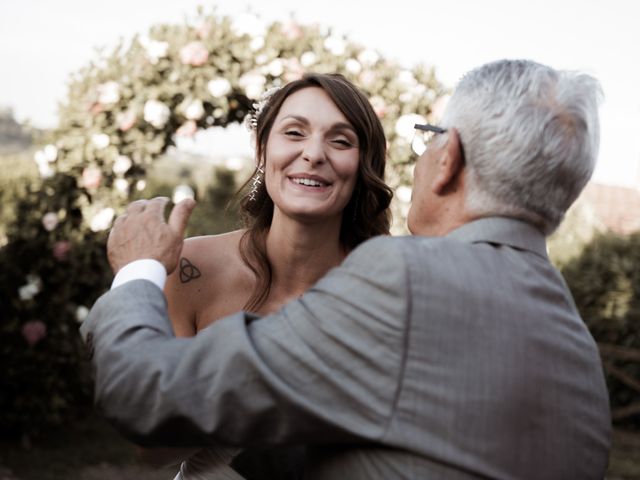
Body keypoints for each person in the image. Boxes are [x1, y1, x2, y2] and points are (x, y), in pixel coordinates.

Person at [82, 59, 612, 479]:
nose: (313, 154)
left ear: (447, 156)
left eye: (429, 136)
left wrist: (138, 269)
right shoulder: (575, 347)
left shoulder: (399, 281)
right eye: (294, 133)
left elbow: (145, 393)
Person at [141, 73, 393, 479]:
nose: (313, 153)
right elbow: (154, 448)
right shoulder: (192, 268)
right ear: (262, 149)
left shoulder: (388, 292)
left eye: (341, 140)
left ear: (363, 164)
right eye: (294, 132)